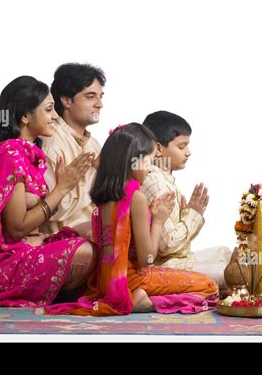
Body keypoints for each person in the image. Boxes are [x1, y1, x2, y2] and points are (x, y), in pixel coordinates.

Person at [0, 76, 97, 306]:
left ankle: (58, 289)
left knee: (97, 230)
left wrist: (60, 189)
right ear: (25, 117)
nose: (56, 116)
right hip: (5, 261)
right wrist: (61, 189)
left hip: (28, 246)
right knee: (86, 253)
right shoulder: (9, 157)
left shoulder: (26, 155)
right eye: (49, 110)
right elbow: (16, 228)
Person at [44, 123, 219, 316]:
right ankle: (143, 302)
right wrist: (159, 220)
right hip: (132, 279)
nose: (150, 169)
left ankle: (141, 296)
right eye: (149, 162)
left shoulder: (104, 196)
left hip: (104, 280)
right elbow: (147, 260)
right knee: (209, 286)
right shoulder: (136, 197)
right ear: (134, 162)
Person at [141, 111, 231, 288]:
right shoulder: (155, 182)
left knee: (226, 253)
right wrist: (193, 214)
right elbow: (166, 245)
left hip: (178, 259)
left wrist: (189, 214)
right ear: (158, 149)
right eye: (181, 147)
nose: (188, 152)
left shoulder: (165, 179)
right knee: (231, 272)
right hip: (163, 267)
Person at [39, 63, 105, 238]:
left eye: (100, 96)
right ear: (66, 101)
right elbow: (52, 211)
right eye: (91, 97)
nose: (100, 104)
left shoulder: (94, 144)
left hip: (96, 229)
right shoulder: (51, 142)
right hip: (63, 238)